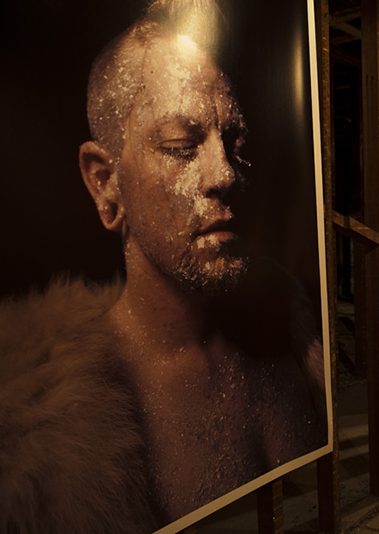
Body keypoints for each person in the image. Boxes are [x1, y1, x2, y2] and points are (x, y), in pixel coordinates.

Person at [0, 2, 326, 531]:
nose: (224, 173)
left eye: (235, 141)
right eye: (181, 146)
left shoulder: (286, 335)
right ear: (105, 182)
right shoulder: (49, 438)